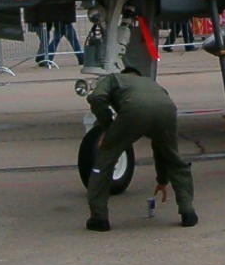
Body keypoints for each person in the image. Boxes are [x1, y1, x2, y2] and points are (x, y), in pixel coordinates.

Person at [84, 66, 197, 232]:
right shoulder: (152, 84)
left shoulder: (115, 78)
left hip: (133, 110)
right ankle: (188, 212)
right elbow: (160, 149)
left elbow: (96, 97)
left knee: (105, 159)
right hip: (167, 109)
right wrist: (162, 180)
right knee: (173, 158)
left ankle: (99, 217)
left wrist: (107, 125)